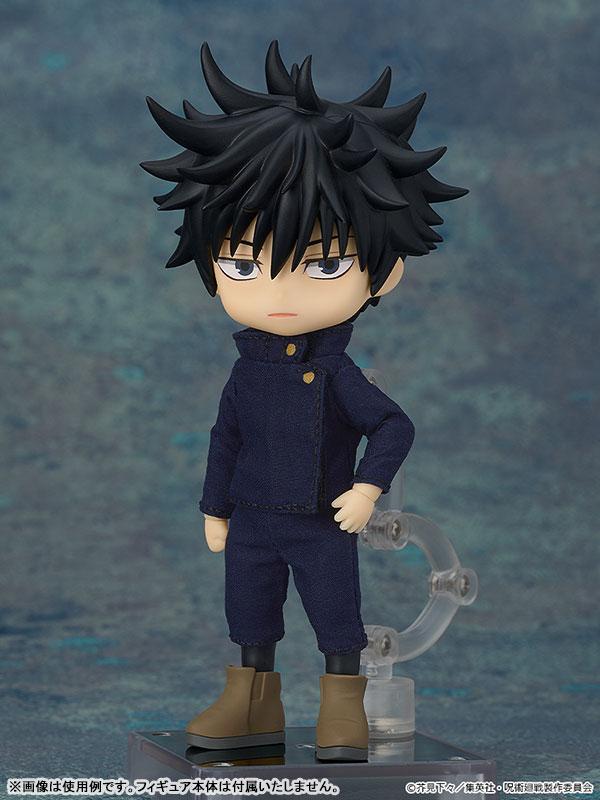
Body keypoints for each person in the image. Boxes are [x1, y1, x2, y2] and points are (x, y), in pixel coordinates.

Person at [140, 40, 468, 761]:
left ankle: (342, 703)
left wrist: (367, 487)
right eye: (241, 263)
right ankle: (251, 698)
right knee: (249, 611)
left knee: (335, 614)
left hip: (323, 519)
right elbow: (225, 437)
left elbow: (392, 425)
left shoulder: (339, 372)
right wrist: (214, 507)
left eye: (322, 264)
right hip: (252, 516)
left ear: (385, 271)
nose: (278, 293)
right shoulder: (246, 371)